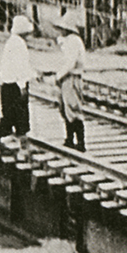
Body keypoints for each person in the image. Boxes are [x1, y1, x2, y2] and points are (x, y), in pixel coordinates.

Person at [0, 14, 36, 145]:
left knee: (9, 113)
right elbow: (20, 67)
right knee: (18, 114)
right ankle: (13, 138)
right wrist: (23, 86)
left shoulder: (11, 41)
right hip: (15, 85)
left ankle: (4, 137)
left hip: (7, 84)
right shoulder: (19, 44)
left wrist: (34, 74)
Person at [53, 11, 86, 152]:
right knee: (64, 108)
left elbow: (70, 63)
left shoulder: (73, 41)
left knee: (72, 108)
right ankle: (69, 139)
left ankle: (80, 142)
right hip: (66, 77)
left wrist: (58, 76)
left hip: (71, 77)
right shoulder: (67, 41)